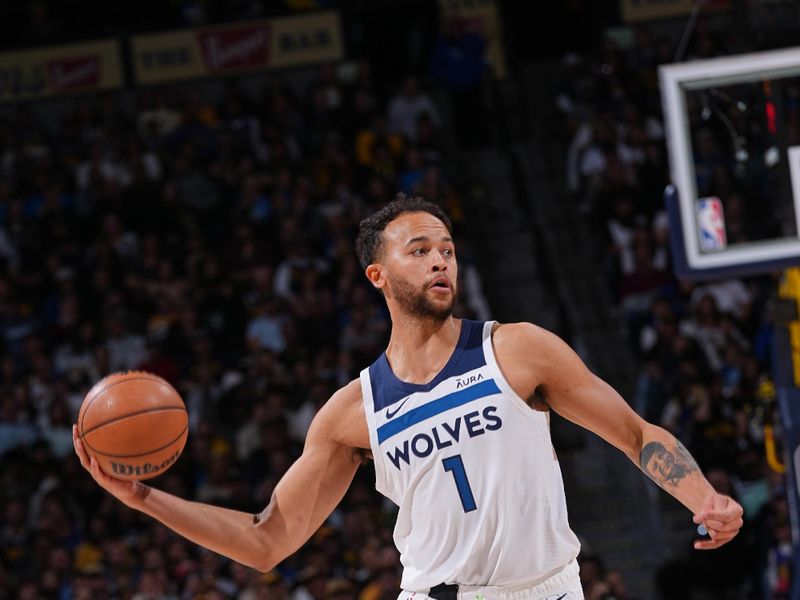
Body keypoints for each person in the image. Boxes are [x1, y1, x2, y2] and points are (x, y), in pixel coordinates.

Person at [73, 195, 744, 600]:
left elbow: (634, 433)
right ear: (378, 274)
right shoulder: (351, 412)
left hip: (549, 588)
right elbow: (265, 540)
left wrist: (702, 498)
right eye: (419, 250)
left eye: (447, 250)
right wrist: (146, 498)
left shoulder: (518, 349)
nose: (439, 261)